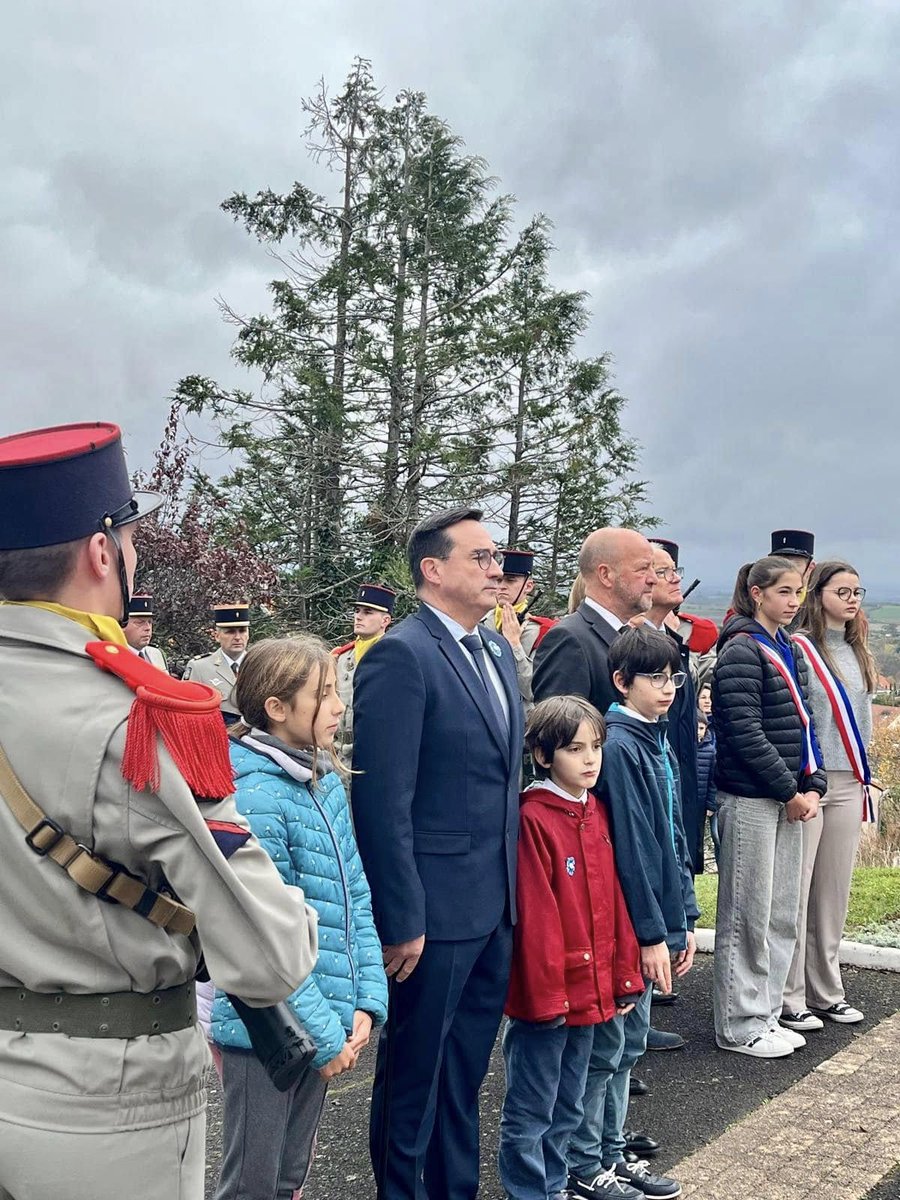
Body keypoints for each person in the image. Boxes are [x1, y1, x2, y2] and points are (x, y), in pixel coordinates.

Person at [0, 422, 317, 1200]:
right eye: (130, 537)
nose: (133, 554)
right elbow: (269, 959)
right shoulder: (139, 720)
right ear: (100, 552)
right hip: (100, 1103)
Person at [352, 506, 524, 1200]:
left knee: (465, 1076)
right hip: (432, 912)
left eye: (497, 557)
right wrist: (401, 916)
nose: (497, 569)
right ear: (433, 569)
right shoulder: (402, 654)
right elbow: (382, 800)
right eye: (481, 557)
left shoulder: (496, 651)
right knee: (413, 1079)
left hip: (495, 905)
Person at [211, 636, 388, 1199]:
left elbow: (354, 895)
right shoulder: (256, 795)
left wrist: (365, 1000)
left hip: (324, 1020)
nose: (338, 706)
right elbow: (263, 937)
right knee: (252, 1182)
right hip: (268, 1030)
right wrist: (325, 1032)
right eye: (324, 694)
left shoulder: (322, 777)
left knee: (289, 1175)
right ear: (277, 708)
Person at [567, 627, 695, 1200]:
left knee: (627, 1046)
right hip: (626, 926)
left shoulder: (652, 736)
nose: (668, 688)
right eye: (655, 678)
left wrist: (684, 917)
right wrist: (652, 932)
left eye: (674, 677)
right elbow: (636, 849)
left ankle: (612, 1154)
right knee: (607, 1050)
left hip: (655, 920)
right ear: (621, 681)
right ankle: (587, 1161)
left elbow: (674, 837)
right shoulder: (618, 746)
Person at [499, 696, 645, 1200]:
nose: (590, 759)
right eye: (575, 749)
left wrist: (623, 975)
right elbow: (537, 920)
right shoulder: (534, 818)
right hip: (550, 998)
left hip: (590, 992)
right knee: (532, 1105)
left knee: (569, 1102)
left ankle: (557, 1184)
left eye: (596, 747)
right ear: (543, 755)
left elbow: (614, 902)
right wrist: (547, 996)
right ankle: (529, 1190)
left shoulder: (595, 811)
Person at [712, 556, 827, 1058]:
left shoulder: (790, 648)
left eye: (798, 592)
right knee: (748, 914)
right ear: (757, 593)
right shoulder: (741, 649)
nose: (793, 601)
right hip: (753, 797)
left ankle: (768, 1012)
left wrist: (814, 783)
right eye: (784, 591)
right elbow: (744, 732)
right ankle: (740, 1024)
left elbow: (806, 723)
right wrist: (789, 791)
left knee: (781, 912)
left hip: (790, 797)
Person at [781, 561, 877, 1032]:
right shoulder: (801, 648)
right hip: (811, 781)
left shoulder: (858, 650)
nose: (852, 599)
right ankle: (790, 996)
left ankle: (827, 992)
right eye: (842, 591)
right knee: (798, 892)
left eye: (857, 591)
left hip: (850, 780)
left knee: (832, 893)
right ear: (817, 595)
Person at [533, 528, 657, 714]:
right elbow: (560, 727)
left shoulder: (628, 635)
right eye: (643, 569)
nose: (653, 579)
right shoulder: (569, 640)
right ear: (605, 575)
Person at [646, 540, 702, 876]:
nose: (676, 578)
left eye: (674, 570)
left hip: (678, 789)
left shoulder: (673, 642)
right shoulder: (628, 644)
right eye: (663, 571)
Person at [481, 548, 557, 712]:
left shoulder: (542, 632)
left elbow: (533, 690)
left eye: (510, 580)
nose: (501, 587)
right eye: (498, 579)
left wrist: (514, 644)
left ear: (528, 586)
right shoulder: (478, 624)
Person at [333, 583, 396, 766]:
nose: (358, 617)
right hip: (337, 754)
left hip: (374, 754)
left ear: (385, 620)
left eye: (368, 612)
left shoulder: (394, 657)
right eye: (357, 611)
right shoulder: (341, 657)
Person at [183, 602, 251, 722]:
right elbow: (188, 712)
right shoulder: (199, 668)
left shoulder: (260, 665)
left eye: (242, 631)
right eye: (230, 632)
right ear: (217, 636)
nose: (237, 637)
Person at [696, 708, 719, 865]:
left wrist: (711, 804)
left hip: (702, 802)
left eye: (701, 728)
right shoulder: (684, 750)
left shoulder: (710, 752)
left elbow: (713, 781)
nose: (698, 732)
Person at [123, 592, 168, 670]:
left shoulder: (156, 654)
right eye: (140, 623)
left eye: (150, 622)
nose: (148, 628)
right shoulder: (115, 656)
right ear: (123, 625)